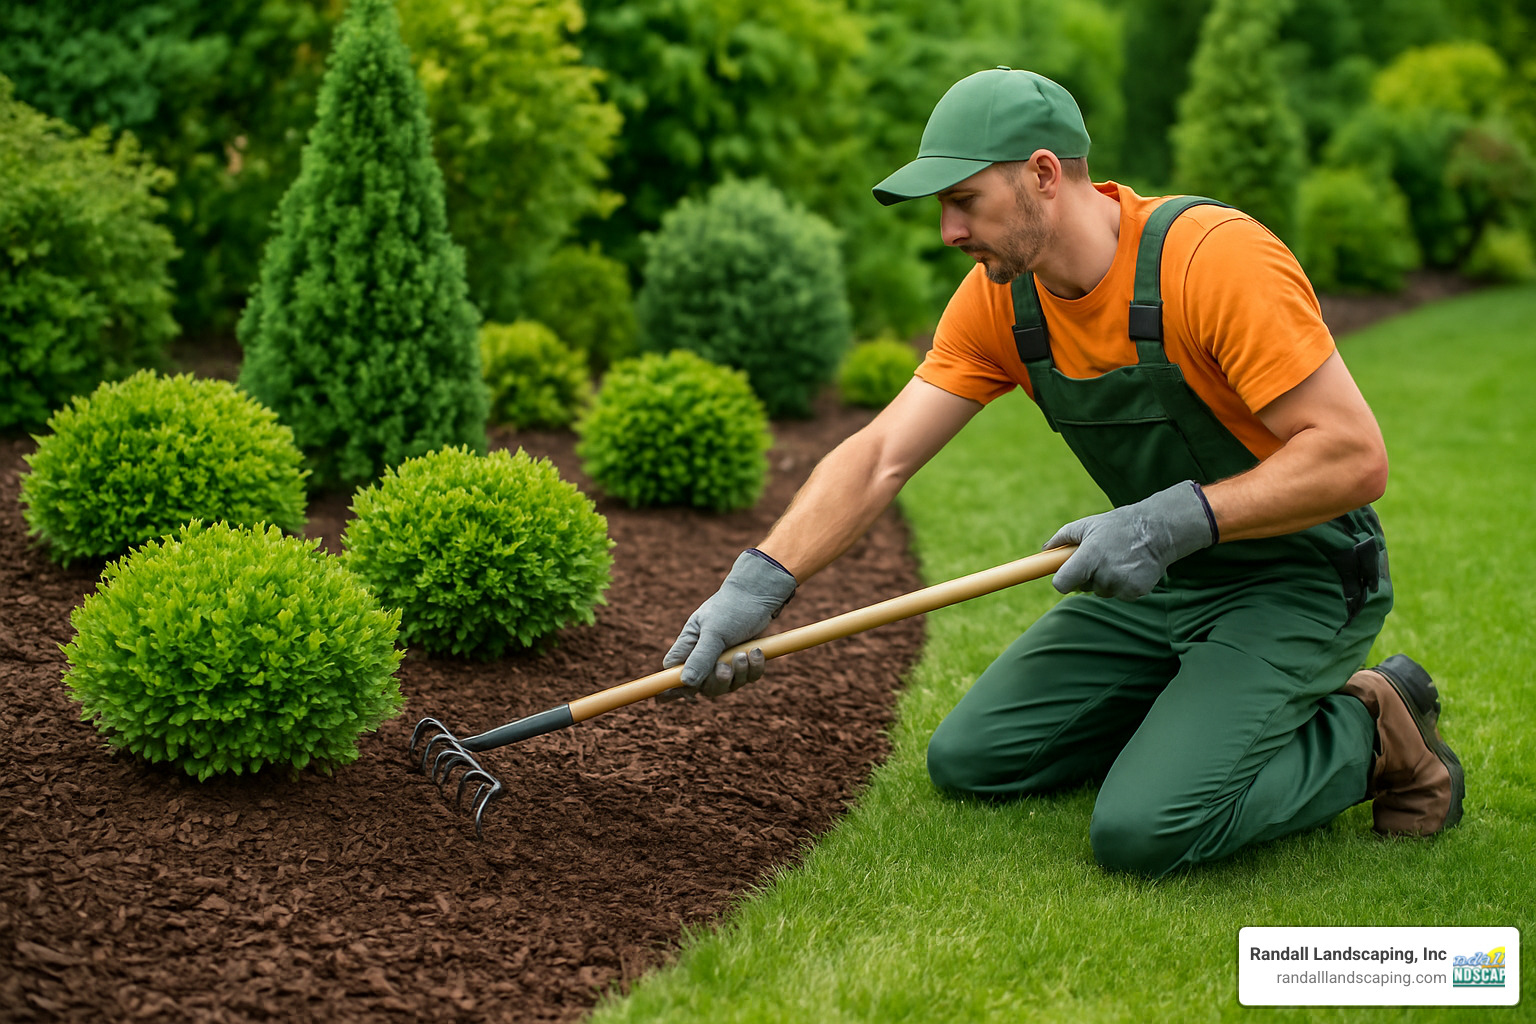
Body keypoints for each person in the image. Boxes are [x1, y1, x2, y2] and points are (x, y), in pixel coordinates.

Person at [661, 67, 1463, 877]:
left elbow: (1352, 456)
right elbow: (880, 454)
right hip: (1165, 584)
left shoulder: (1213, 262)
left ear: (1043, 174)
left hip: (1299, 579)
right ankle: (1198, 715)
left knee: (1146, 832)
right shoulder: (1002, 304)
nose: (947, 231)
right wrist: (762, 580)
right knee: (975, 759)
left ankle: (1373, 727)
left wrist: (1163, 522)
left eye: (963, 200)